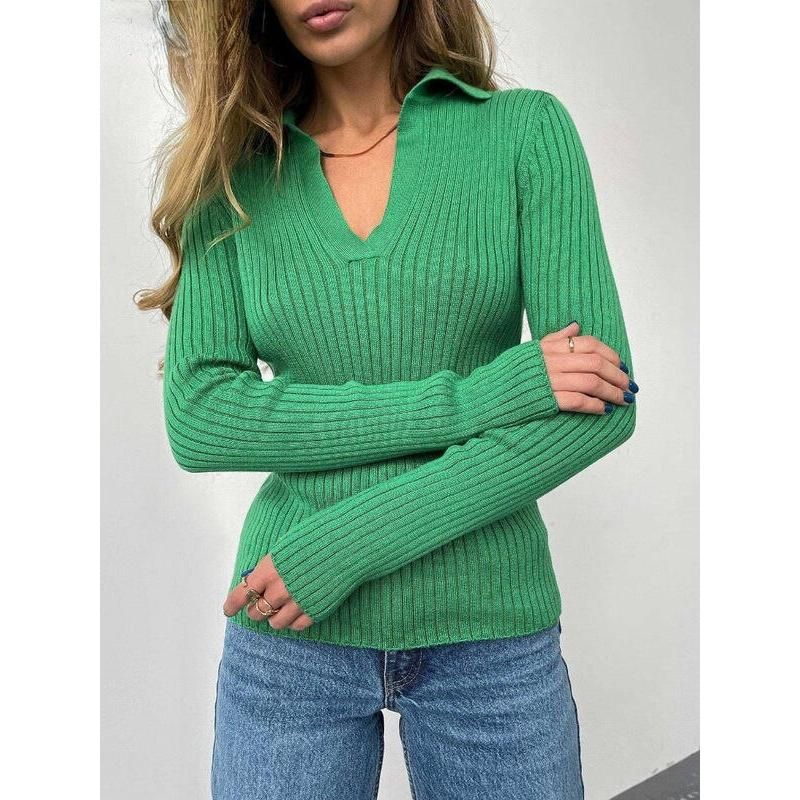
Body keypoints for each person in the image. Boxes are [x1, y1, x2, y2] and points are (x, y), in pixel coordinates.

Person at [137, 1, 640, 797]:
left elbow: (600, 402)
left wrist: (348, 546)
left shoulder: (522, 134)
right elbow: (201, 418)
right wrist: (473, 400)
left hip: (487, 636)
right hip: (288, 645)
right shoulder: (231, 177)